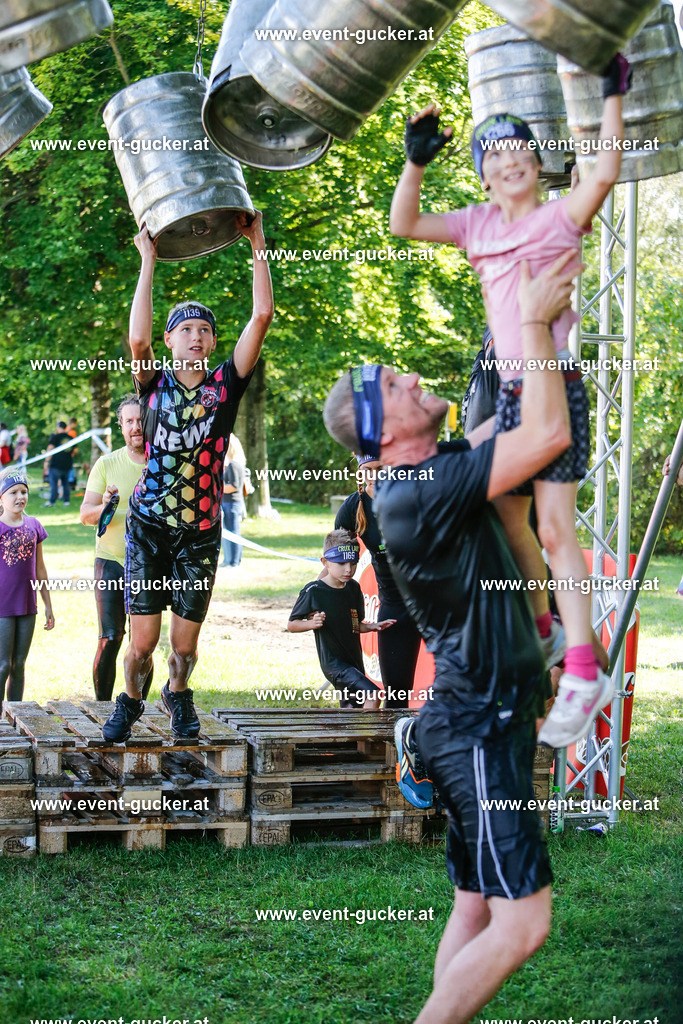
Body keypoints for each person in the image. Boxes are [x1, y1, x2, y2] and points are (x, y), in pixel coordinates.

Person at [323, 252, 615, 1024]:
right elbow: (546, 432)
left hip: (479, 721)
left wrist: (537, 333)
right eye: (395, 385)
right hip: (475, 729)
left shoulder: (432, 472)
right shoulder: (416, 494)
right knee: (524, 921)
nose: (414, 379)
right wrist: (526, 321)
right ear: (377, 432)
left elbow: (510, 420)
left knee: (476, 907)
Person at [389, 58, 632, 748]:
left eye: (517, 148)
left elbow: (606, 172)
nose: (507, 160)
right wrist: (413, 162)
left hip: (555, 385)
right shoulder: (474, 226)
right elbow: (402, 223)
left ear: (535, 161)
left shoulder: (561, 217)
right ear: (481, 175)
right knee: (499, 507)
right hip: (510, 392)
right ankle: (546, 628)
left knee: (555, 529)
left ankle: (583, 671)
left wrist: (610, 94)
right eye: (491, 155)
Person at [101, 214, 273, 742]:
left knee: (183, 648)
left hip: (199, 534)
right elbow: (136, 337)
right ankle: (130, 703)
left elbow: (262, 314)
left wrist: (256, 240)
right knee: (141, 644)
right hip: (149, 527)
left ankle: (178, 697)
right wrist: (148, 259)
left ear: (212, 341)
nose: (196, 338)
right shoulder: (152, 386)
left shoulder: (225, 386)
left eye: (205, 331)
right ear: (172, 341)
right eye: (186, 330)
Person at [334, 454, 421, 709]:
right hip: (394, 603)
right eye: (368, 470)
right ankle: (398, 745)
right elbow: (338, 557)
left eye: (381, 469)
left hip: (434, 600)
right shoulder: (353, 507)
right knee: (396, 695)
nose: (375, 476)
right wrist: (323, 593)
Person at [79, 395, 149, 701]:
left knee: (143, 643)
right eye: (129, 421)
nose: (136, 427)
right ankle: (103, 709)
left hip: (149, 563)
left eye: (141, 420)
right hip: (110, 560)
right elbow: (85, 515)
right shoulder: (107, 464)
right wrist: (106, 505)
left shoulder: (163, 464)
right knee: (111, 637)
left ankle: (139, 708)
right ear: (120, 426)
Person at [287, 529, 396, 710]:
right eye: (341, 563)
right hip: (335, 665)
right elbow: (292, 624)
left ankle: (355, 739)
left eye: (353, 563)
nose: (348, 569)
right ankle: (369, 737)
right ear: (325, 563)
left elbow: (355, 625)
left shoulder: (353, 588)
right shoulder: (313, 591)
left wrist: (372, 626)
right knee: (373, 694)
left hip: (354, 660)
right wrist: (311, 623)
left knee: (352, 708)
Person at [0, 472, 54, 705]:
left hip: (26, 605)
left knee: (19, 665)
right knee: (3, 665)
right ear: (1, 498)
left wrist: (48, 606)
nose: (19, 497)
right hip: (2, 606)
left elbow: (40, 569)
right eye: (13, 492)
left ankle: (15, 713)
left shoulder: (34, 526)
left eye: (23, 492)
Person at [221, 435, 246, 568]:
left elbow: (235, 485)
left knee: (234, 533)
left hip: (233, 503)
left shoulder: (235, 465)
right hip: (227, 503)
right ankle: (228, 560)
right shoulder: (228, 464)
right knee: (228, 533)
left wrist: (217, 488)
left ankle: (235, 562)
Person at [44, 419, 74, 507]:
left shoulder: (55, 437)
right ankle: (66, 501)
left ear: (58, 428)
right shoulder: (70, 438)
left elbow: (50, 448)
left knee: (54, 484)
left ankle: (52, 501)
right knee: (65, 484)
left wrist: (46, 461)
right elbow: (75, 451)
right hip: (67, 465)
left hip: (56, 465)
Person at [66, 418, 79, 490]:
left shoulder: (65, 430)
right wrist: (74, 452)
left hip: (64, 454)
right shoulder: (72, 432)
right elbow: (74, 444)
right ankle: (70, 483)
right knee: (70, 469)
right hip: (70, 454)